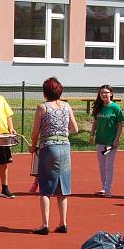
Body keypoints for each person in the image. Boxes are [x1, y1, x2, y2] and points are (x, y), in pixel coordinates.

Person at [28, 78, 78, 235]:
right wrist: (62, 133)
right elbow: (75, 129)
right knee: (63, 187)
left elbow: (35, 132)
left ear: (45, 92)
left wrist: (33, 146)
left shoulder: (42, 107)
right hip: (65, 147)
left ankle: (45, 224)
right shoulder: (66, 106)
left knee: (45, 187)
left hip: (49, 147)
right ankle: (63, 223)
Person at [89, 84, 124, 197]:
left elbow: (120, 124)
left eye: (106, 92)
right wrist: (92, 135)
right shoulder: (99, 107)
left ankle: (108, 190)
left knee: (109, 165)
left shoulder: (115, 108)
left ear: (111, 94)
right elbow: (95, 122)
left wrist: (116, 139)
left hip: (110, 142)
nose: (103, 94)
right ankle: (104, 188)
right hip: (100, 140)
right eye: (101, 93)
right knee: (102, 165)